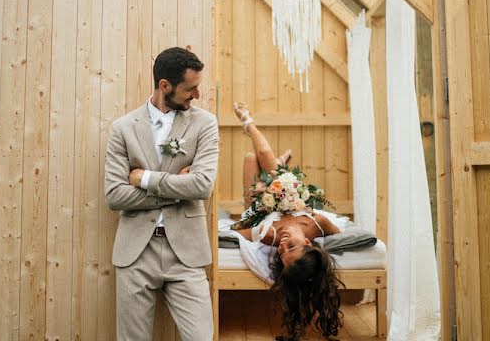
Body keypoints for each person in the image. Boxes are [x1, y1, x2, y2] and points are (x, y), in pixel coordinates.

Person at [104, 47, 219, 341]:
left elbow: (202, 186)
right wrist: (180, 189)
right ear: (164, 86)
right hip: (135, 253)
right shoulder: (123, 129)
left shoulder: (205, 124)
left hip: (187, 254)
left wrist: (146, 179)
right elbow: (115, 195)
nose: (197, 95)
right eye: (190, 88)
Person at [230, 101, 344, 340]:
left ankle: (273, 158)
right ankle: (249, 123)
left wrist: (255, 206)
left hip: (257, 208)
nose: (281, 246)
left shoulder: (270, 235)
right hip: (289, 198)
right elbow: (342, 238)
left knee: (252, 159)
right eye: (290, 246)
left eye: (281, 253)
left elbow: (237, 231)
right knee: (270, 168)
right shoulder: (319, 223)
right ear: (309, 244)